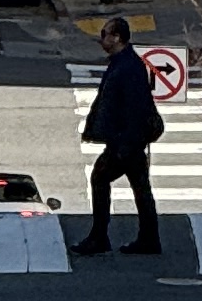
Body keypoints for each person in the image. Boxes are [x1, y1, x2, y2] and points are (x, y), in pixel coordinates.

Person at [73, 13, 161, 257]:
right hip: (127, 140)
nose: (101, 40)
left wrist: (126, 143)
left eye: (105, 34)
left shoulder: (128, 67)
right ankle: (148, 238)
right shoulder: (123, 62)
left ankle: (100, 237)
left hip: (126, 141)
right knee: (140, 187)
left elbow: (136, 108)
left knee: (100, 179)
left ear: (117, 37)